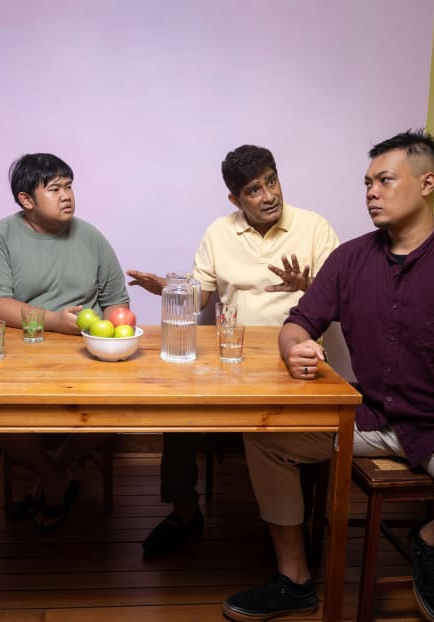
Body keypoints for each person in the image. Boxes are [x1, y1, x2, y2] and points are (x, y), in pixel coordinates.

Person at [223, 130, 434, 622]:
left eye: (385, 180)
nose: (371, 192)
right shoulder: (349, 258)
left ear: (428, 182)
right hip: (368, 419)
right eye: (367, 182)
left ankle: (430, 539)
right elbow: (300, 320)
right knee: (266, 433)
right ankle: (295, 579)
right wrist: (294, 348)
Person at [127, 145, 339, 555]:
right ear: (235, 199)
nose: (269, 195)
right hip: (232, 357)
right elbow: (200, 298)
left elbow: (344, 301)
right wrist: (170, 290)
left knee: (295, 429)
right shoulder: (219, 233)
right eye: (254, 190)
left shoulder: (315, 228)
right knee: (178, 408)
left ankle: (296, 527)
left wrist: (309, 287)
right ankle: (185, 510)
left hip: (295, 358)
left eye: (272, 181)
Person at [0, 152, 130, 532]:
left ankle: (52, 472)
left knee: (120, 406)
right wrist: (55, 322)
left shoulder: (91, 236)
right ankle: (57, 475)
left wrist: (107, 332)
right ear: (26, 200)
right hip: (23, 358)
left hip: (88, 355)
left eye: (69, 186)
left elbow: (117, 303)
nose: (67, 196)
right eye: (55, 188)